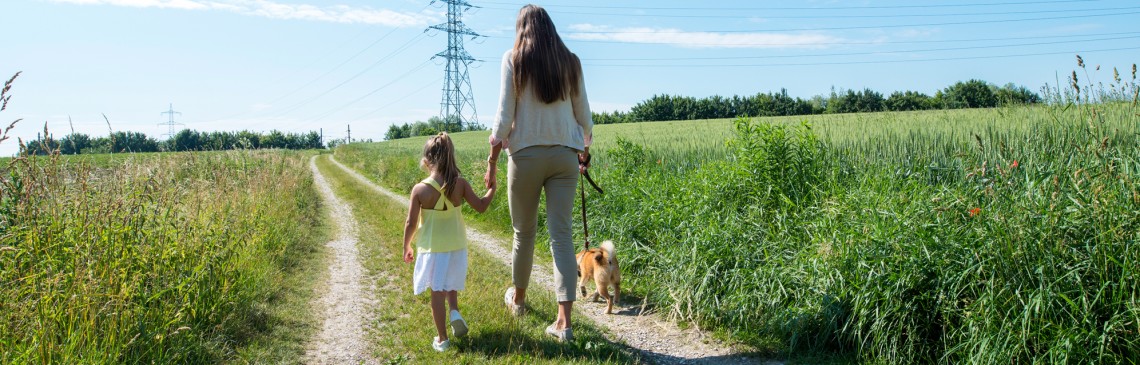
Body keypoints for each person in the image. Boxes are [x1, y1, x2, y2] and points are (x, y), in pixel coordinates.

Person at [484, 4, 593, 342]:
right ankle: (564, 323)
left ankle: (517, 300)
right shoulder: (571, 61)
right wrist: (584, 150)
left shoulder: (513, 59)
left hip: (526, 156)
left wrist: (492, 154)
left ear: (522, 29)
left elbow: (504, 118)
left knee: (523, 233)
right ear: (551, 28)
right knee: (561, 235)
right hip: (564, 157)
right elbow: (585, 116)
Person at [403, 132, 497, 352]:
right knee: (450, 282)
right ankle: (454, 310)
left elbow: (410, 222)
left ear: (426, 161)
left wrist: (407, 245)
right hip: (456, 246)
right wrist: (492, 188)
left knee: (437, 290)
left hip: (432, 248)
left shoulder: (420, 190)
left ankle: (442, 338)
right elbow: (482, 206)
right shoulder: (460, 184)